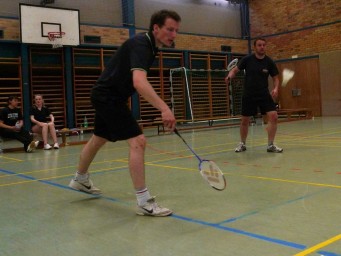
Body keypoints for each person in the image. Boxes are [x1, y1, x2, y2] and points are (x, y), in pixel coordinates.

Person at [68, 10, 181, 217]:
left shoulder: (150, 47)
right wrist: (164, 108)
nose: (173, 35)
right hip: (108, 97)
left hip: (107, 96)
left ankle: (80, 179)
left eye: (176, 31)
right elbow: (139, 82)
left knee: (98, 139)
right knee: (138, 141)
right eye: (170, 29)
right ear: (156, 28)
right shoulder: (142, 45)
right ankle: (144, 201)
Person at [225, 37, 283, 153]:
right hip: (249, 94)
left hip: (264, 94)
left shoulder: (269, 62)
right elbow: (235, 70)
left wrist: (276, 88)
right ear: (255, 47)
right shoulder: (247, 59)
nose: (262, 47)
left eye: (264, 45)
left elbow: (276, 78)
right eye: (259, 45)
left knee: (274, 116)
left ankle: (271, 145)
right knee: (245, 120)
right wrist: (229, 76)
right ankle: (242, 144)